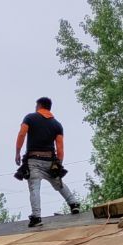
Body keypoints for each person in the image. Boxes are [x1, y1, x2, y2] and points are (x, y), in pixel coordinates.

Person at [15, 97, 79, 228]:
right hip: (50, 160)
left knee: (34, 187)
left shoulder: (30, 118)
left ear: (39, 106)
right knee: (57, 182)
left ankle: (36, 217)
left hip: (33, 160)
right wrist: (58, 165)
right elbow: (60, 147)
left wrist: (17, 152)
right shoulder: (57, 124)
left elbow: (22, 134)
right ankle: (73, 204)